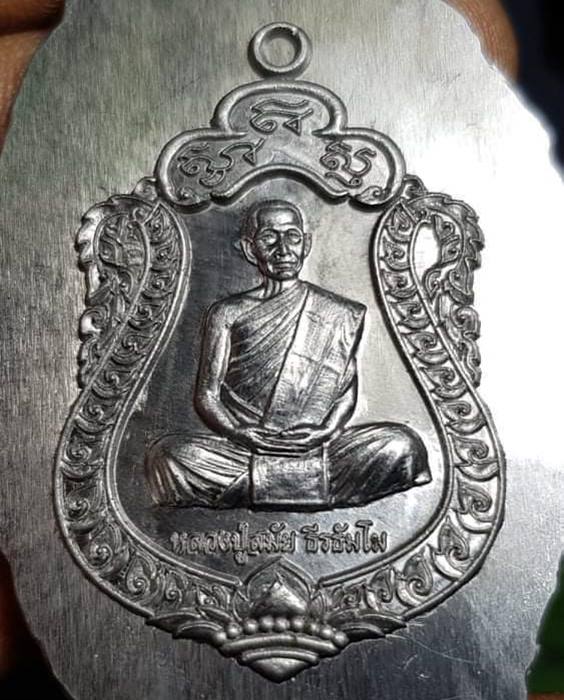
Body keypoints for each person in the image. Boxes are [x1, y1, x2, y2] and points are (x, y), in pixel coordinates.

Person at [145, 200, 431, 509]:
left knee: (403, 446)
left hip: (318, 447)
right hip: (246, 449)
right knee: (168, 456)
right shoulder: (227, 312)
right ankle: (304, 486)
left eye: (292, 236)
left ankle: (261, 486)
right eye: (269, 237)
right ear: (250, 249)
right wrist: (240, 433)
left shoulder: (338, 313)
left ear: (306, 244)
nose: (283, 249)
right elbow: (207, 395)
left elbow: (345, 391)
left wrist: (326, 431)